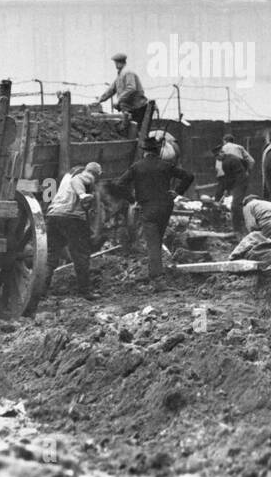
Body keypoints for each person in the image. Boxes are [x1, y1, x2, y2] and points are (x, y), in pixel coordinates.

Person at [115, 136, 194, 281]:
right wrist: (177, 192)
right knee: (158, 239)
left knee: (152, 243)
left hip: (147, 207)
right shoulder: (166, 165)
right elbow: (189, 176)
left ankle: (157, 278)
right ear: (158, 152)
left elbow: (119, 184)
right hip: (165, 207)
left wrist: (133, 200)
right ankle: (158, 272)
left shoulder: (137, 167)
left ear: (144, 152)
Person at [46, 161, 102, 299]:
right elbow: (77, 181)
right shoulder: (84, 177)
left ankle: (40, 290)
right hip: (72, 218)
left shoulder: (64, 181)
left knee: (51, 255)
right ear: (96, 174)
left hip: (53, 216)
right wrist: (82, 194)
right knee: (81, 255)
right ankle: (85, 291)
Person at [96, 53, 149, 131]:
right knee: (130, 130)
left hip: (138, 108)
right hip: (130, 108)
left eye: (116, 63)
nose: (115, 65)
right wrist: (99, 100)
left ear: (121, 62)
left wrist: (119, 100)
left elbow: (131, 88)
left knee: (137, 131)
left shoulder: (128, 73)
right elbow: (111, 90)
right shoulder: (120, 75)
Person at [213, 138, 254, 235]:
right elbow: (245, 163)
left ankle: (238, 228)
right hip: (240, 181)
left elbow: (229, 178)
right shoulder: (230, 157)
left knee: (235, 205)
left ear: (221, 153)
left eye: (217, 156)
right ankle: (241, 226)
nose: (217, 159)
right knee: (237, 204)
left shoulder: (227, 162)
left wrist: (227, 189)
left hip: (240, 182)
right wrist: (228, 189)